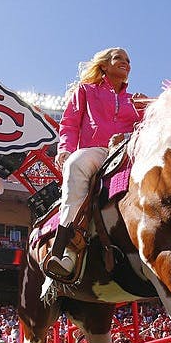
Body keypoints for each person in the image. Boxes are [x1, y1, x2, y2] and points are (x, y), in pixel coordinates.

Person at [45, 47, 145, 281]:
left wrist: (136, 129)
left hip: (129, 154)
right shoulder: (86, 90)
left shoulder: (137, 101)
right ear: (104, 65)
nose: (126, 63)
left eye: (129, 60)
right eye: (119, 58)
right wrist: (65, 150)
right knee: (76, 164)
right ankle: (66, 251)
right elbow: (69, 124)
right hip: (97, 152)